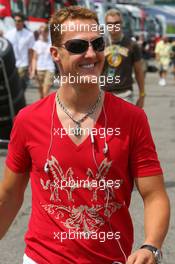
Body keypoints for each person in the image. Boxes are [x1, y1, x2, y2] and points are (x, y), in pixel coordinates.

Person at [0, 6, 170, 264]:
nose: (91, 54)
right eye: (78, 46)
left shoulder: (132, 119)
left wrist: (151, 246)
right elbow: (10, 195)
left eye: (98, 44)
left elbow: (154, 194)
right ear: (55, 54)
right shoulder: (28, 120)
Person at [102, 9, 145, 108]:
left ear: (121, 23)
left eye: (117, 23)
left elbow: (139, 71)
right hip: (104, 93)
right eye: (110, 23)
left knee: (124, 124)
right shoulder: (100, 44)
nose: (113, 26)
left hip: (125, 93)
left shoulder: (132, 44)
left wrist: (142, 95)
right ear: (106, 25)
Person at [5, 12, 35, 89]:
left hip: (23, 64)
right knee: (12, 87)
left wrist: (31, 66)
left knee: (20, 86)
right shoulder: (8, 34)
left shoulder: (29, 34)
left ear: (23, 22)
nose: (17, 22)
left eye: (19, 21)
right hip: (11, 65)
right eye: (15, 21)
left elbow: (31, 51)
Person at [31, 24, 55, 98]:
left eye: (44, 31)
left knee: (45, 92)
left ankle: (47, 107)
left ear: (47, 32)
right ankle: (42, 107)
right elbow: (34, 58)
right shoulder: (37, 44)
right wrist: (33, 70)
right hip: (39, 69)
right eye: (40, 32)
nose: (42, 33)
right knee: (41, 93)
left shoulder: (52, 44)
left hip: (50, 68)